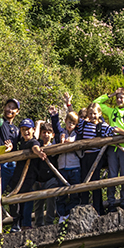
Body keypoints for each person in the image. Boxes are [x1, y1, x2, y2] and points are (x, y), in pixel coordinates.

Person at [76, 103, 124, 215]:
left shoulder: (102, 126)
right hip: (84, 157)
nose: (92, 116)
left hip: (96, 156)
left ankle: (98, 209)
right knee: (83, 182)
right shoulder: (84, 124)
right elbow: (74, 117)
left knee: (96, 183)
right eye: (90, 113)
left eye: (95, 113)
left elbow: (115, 129)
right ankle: (84, 207)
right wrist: (68, 104)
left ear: (100, 114)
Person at [49, 94, 82, 223]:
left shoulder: (77, 134)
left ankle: (71, 213)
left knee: (74, 192)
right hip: (62, 167)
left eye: (73, 123)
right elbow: (56, 128)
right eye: (69, 122)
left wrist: (69, 105)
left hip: (75, 166)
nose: (70, 125)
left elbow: (76, 119)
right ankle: (62, 215)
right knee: (62, 193)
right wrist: (54, 116)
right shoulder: (61, 133)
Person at [10, 118, 47, 231]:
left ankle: (26, 224)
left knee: (26, 200)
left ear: (33, 130)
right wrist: (38, 123)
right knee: (15, 202)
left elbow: (34, 146)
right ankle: (17, 223)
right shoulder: (21, 142)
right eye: (23, 129)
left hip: (29, 176)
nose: (26, 131)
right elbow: (33, 137)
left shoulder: (33, 142)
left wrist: (39, 152)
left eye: (28, 129)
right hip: (18, 176)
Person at [32, 120, 58, 227]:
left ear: (52, 135)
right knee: (38, 204)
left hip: (50, 178)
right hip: (38, 179)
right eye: (44, 132)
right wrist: (37, 124)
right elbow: (34, 138)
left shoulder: (55, 146)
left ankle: (49, 223)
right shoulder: (37, 145)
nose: (46, 135)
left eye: (48, 133)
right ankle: (38, 224)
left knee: (51, 200)